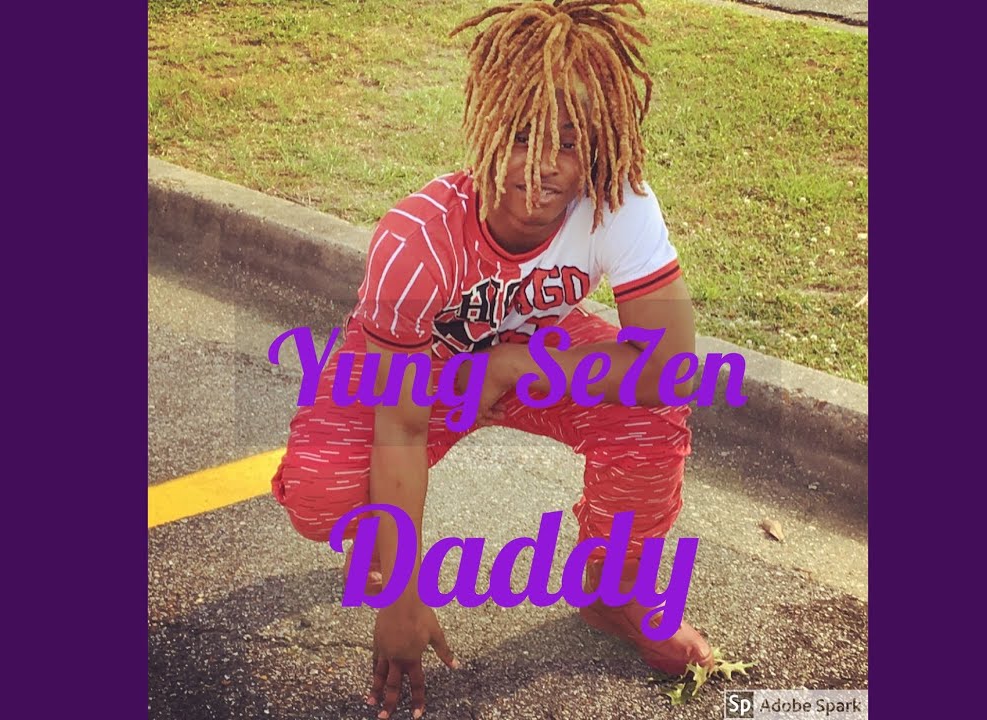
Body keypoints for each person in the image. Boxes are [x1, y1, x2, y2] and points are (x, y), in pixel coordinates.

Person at [271, 1, 711, 717]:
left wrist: (511, 364)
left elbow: (667, 367)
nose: (540, 167)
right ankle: (378, 544)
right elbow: (400, 425)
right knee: (323, 493)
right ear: (486, 126)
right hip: (421, 360)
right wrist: (401, 596)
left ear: (601, 145)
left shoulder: (617, 202)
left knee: (652, 412)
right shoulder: (419, 238)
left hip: (531, 349)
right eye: (522, 135)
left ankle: (615, 593)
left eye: (569, 142)